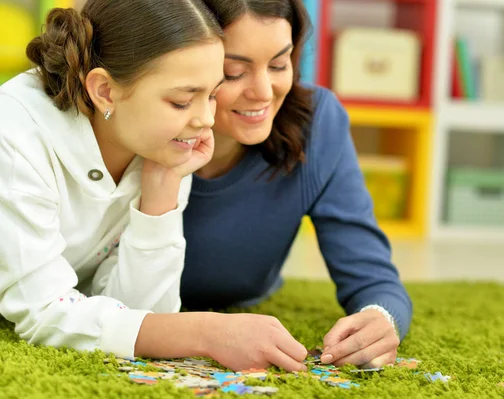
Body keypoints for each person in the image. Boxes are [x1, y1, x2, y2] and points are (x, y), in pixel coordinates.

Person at [181, 0, 413, 372]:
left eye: (278, 64)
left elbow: (372, 276)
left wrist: (380, 316)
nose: (263, 91)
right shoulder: (137, 125)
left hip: (248, 299)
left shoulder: (317, 123)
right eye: (233, 72)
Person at [0, 0, 228, 361]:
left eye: (213, 94)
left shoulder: (164, 145)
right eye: (183, 101)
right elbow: (41, 310)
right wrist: (201, 334)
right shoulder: (14, 133)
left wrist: (161, 190)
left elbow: (138, 316)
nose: (206, 119)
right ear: (104, 91)